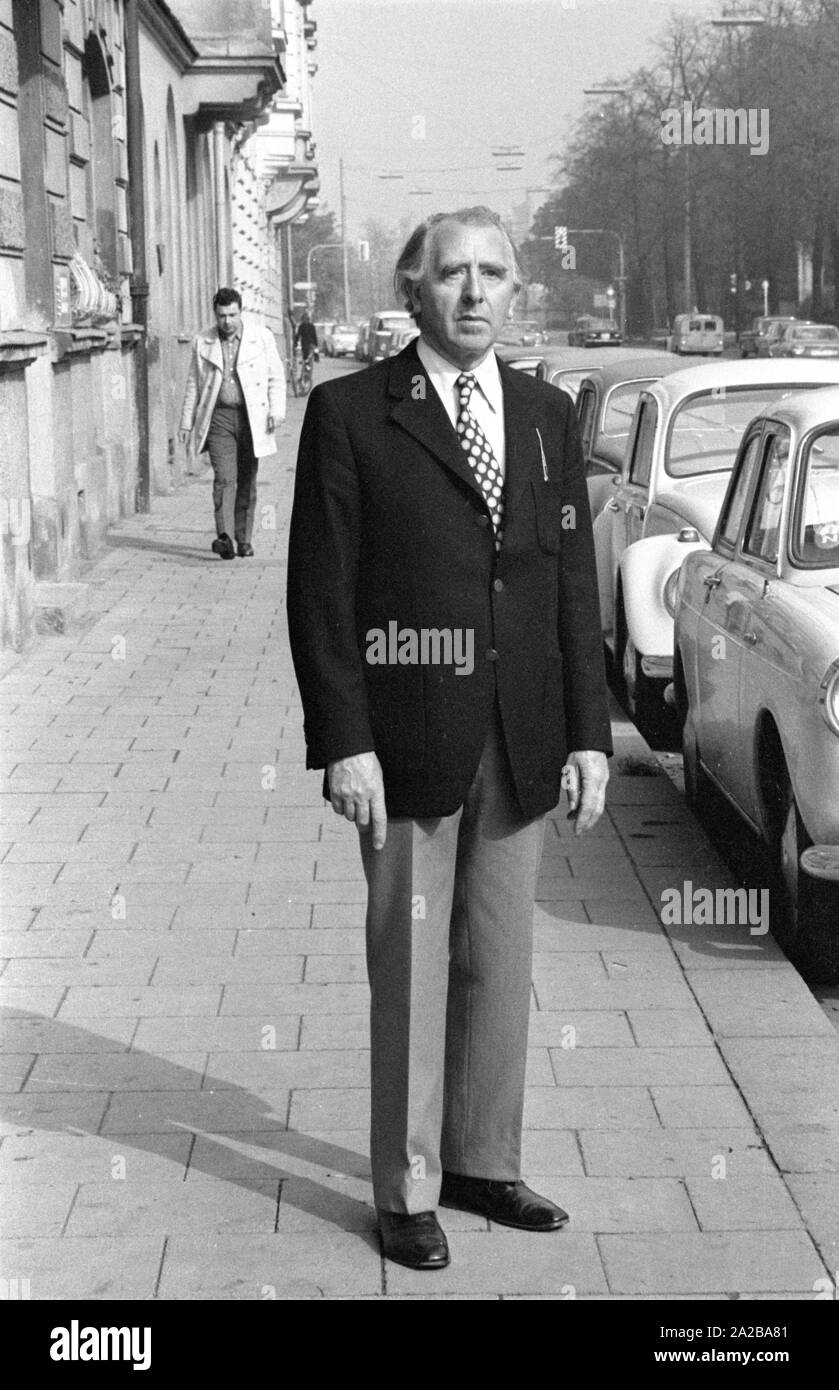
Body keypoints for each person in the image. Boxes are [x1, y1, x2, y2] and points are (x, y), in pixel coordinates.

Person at [286, 207, 612, 1272]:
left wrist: (589, 734)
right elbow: (320, 593)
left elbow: (567, 582)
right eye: (451, 274)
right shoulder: (349, 414)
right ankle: (408, 1186)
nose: (474, 293)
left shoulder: (545, 416)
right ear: (413, 290)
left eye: (493, 273)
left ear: (517, 289)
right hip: (405, 736)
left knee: (496, 961)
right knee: (412, 967)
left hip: (518, 736)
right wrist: (344, 740)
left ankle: (482, 1158)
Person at [179, 288, 285, 559]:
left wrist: (277, 410)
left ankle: (244, 538)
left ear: (241, 312)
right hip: (219, 419)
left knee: (247, 480)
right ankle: (224, 537)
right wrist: (186, 422)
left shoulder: (261, 338)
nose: (227, 321)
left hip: (253, 418)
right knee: (224, 479)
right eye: (222, 315)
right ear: (215, 314)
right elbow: (194, 382)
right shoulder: (203, 341)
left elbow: (275, 375)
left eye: (232, 315)